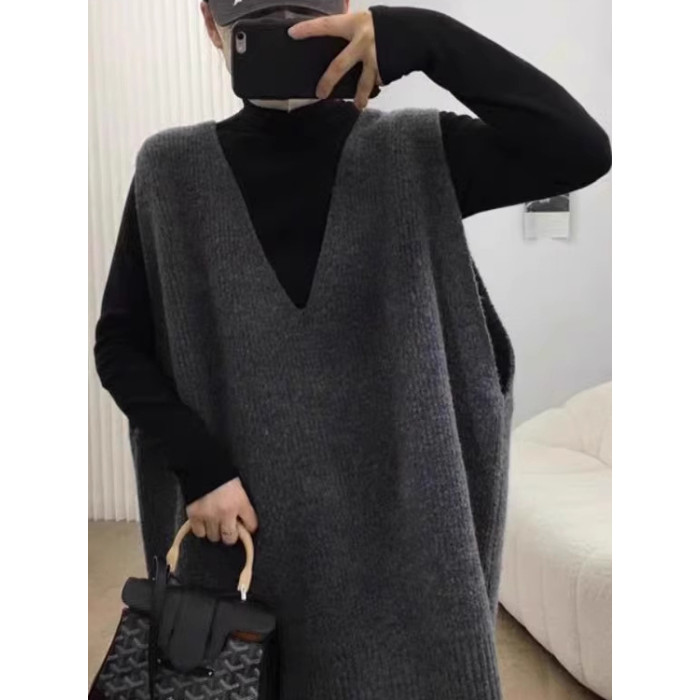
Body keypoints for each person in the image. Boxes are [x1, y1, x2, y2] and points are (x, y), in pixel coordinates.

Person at [93, 1, 611, 697]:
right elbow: (119, 344)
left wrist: (417, 37)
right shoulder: (170, 172)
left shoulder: (416, 151)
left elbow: (580, 148)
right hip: (239, 552)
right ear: (212, 25)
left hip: (406, 565)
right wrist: (201, 467)